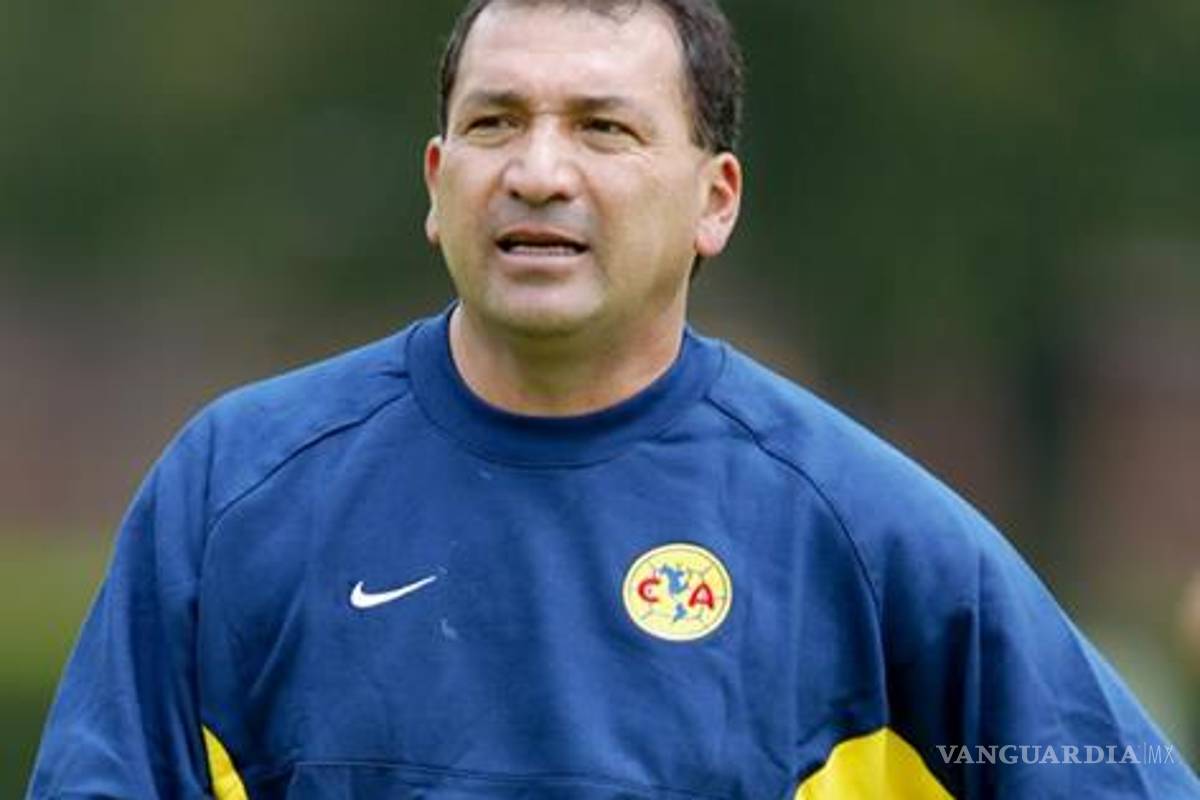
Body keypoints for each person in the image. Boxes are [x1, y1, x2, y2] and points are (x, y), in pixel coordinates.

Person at [26, 0, 1199, 797]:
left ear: (714, 200)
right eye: (495, 122)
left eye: (603, 128)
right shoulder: (236, 488)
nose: (538, 170)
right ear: (438, 181)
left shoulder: (860, 531)